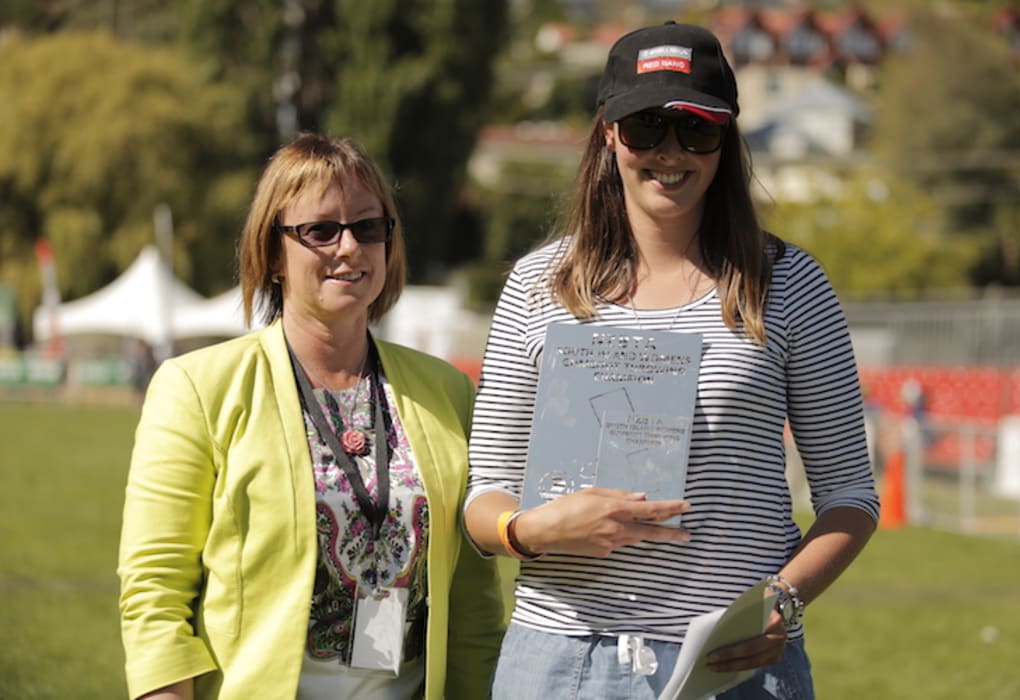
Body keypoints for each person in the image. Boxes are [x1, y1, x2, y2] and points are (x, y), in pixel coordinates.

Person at [463, 21, 879, 699]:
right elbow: (485, 496)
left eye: (696, 129)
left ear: (727, 137)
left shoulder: (790, 283)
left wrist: (782, 600)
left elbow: (850, 497)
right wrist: (533, 530)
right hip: (560, 661)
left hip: (734, 662)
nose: (670, 151)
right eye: (646, 127)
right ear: (609, 133)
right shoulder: (536, 286)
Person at [117, 133, 504, 700]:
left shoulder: (445, 391)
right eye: (321, 230)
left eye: (368, 227)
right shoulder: (198, 388)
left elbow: (473, 603)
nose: (349, 247)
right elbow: (155, 591)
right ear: (273, 253)